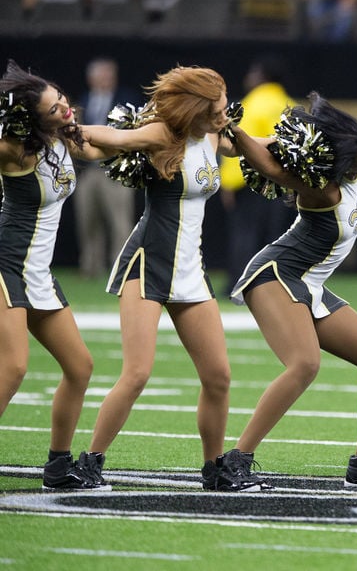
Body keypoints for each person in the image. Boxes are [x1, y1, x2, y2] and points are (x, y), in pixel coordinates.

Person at [222, 92, 357, 488]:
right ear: (344, 162)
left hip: (311, 283)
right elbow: (273, 167)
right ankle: (235, 460)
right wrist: (233, 130)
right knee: (304, 364)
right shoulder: (324, 191)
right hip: (277, 274)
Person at [78, 66, 251, 491]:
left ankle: (215, 470)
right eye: (218, 101)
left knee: (219, 376)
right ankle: (88, 463)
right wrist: (61, 125)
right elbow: (112, 140)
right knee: (137, 373)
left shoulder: (215, 137)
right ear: (197, 107)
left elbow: (254, 149)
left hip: (190, 269)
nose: (225, 108)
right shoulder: (162, 135)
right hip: (148, 263)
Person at [0, 60, 113, 489]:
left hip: (39, 275)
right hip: (6, 265)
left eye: (62, 99)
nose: (65, 109)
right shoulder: (14, 150)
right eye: (53, 109)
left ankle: (58, 467)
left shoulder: (68, 140)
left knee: (80, 367)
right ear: (30, 119)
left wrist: (165, 136)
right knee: (12, 369)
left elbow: (111, 144)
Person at [219, 54, 297, 293]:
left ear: (262, 76)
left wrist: (229, 184)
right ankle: (272, 284)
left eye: (254, 73)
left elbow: (241, 146)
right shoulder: (290, 104)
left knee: (245, 235)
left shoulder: (252, 104)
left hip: (251, 182)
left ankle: (240, 282)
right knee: (276, 235)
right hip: (283, 180)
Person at [73, 57, 139, 278]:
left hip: (116, 170)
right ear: (91, 78)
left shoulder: (126, 99)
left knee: (120, 222)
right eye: (101, 75)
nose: (106, 79)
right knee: (87, 220)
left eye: (109, 75)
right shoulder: (84, 99)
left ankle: (121, 268)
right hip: (89, 171)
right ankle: (91, 266)